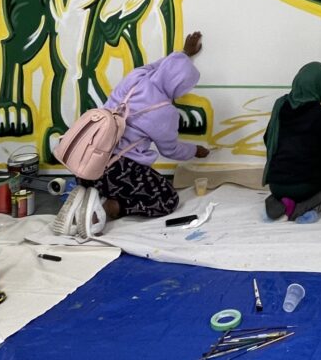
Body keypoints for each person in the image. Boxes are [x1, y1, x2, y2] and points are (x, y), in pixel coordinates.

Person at [53, 31, 211, 237]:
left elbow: (156, 67)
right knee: (167, 198)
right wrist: (195, 150)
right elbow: (170, 150)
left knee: (127, 180)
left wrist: (182, 54)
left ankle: (86, 194)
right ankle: (108, 208)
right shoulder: (165, 112)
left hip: (87, 160)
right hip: (116, 171)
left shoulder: (136, 77)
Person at [262, 62, 321, 222]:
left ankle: (278, 200)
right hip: (304, 186)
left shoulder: (280, 106)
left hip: (275, 184)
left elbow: (267, 139)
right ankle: (304, 206)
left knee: (291, 181)